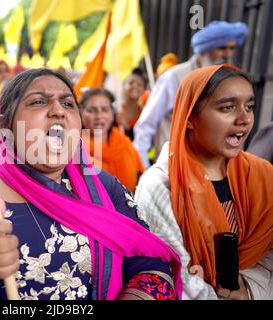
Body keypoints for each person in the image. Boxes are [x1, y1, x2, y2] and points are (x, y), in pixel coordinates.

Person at [0, 68, 182, 300]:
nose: (58, 110)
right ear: (5, 126)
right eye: (39, 101)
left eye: (68, 102)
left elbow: (153, 268)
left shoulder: (105, 187)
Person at [134, 65, 273, 300]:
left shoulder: (263, 176)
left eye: (249, 106)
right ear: (190, 118)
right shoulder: (160, 186)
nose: (244, 118)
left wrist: (247, 291)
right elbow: (173, 276)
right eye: (228, 108)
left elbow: (268, 255)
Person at [133, 21, 248, 168]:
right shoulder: (174, 77)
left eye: (232, 48)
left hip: (215, 170)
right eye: (221, 48)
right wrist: (145, 169)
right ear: (203, 50)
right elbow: (145, 126)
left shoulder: (229, 81)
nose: (227, 54)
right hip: (174, 169)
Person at [79, 88, 144, 193]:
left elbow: (141, 179)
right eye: (91, 110)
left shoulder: (124, 143)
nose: (99, 116)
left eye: (105, 110)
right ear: (80, 113)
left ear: (112, 115)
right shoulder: (74, 150)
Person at [116, 69, 147, 141]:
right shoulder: (113, 111)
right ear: (123, 87)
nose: (135, 86)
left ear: (143, 90)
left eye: (139, 85)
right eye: (131, 83)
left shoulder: (145, 114)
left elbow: (143, 141)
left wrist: (128, 128)